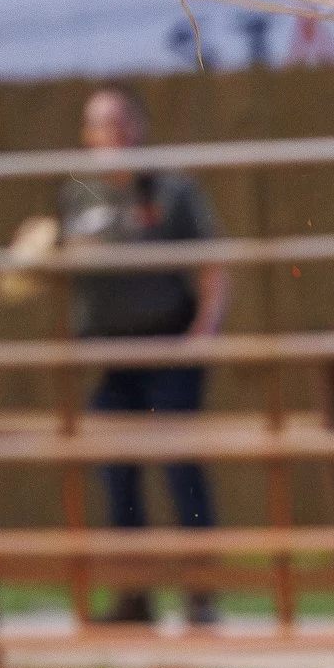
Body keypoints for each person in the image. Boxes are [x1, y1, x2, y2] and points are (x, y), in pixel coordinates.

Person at [50, 89, 227, 625]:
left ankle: (201, 595)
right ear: (88, 136)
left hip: (169, 346)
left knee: (180, 469)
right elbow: (62, 267)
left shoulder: (173, 191)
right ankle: (134, 596)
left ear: (140, 127)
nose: (114, 132)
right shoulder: (75, 194)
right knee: (116, 474)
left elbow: (213, 263)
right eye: (100, 124)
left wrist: (204, 330)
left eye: (122, 120)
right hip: (110, 355)